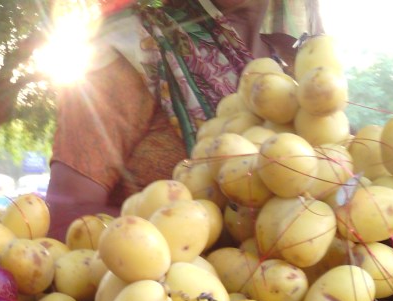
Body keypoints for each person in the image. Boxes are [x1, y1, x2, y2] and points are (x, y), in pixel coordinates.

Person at [45, 0, 324, 240]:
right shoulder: (134, 49)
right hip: (164, 296)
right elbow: (65, 216)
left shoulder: (300, 67)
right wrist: (201, 242)